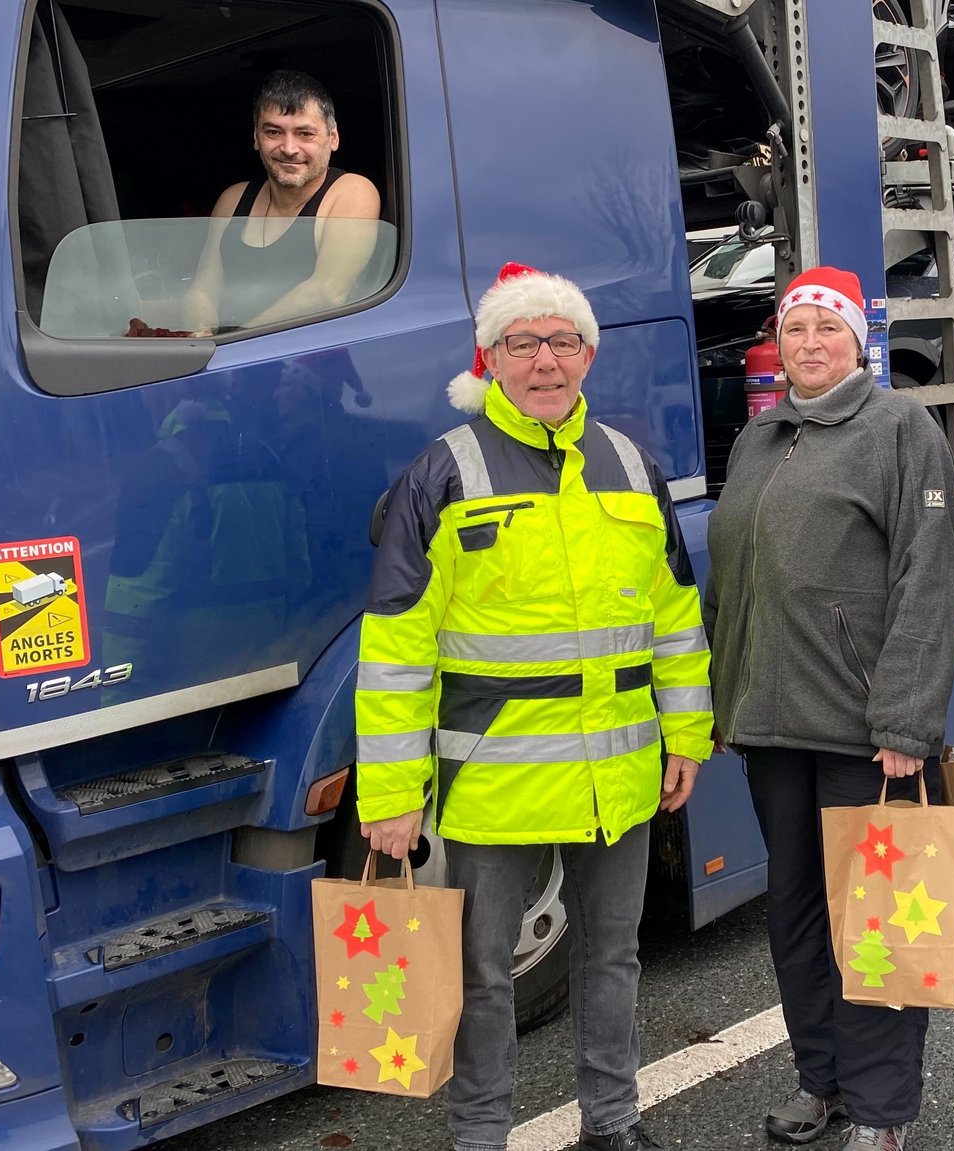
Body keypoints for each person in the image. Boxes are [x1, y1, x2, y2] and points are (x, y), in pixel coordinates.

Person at [355, 263, 714, 1151]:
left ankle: (613, 1123)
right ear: (491, 359)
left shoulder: (633, 466)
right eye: (523, 342)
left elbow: (675, 616)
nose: (544, 359)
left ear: (588, 355)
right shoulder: (444, 471)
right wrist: (392, 794)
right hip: (495, 778)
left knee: (613, 956)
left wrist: (687, 734)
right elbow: (398, 645)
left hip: (618, 776)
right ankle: (481, 1135)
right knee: (483, 975)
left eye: (561, 340)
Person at [705, 267, 954, 1151]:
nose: (810, 343)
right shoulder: (758, 436)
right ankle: (824, 1082)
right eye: (796, 329)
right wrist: (720, 694)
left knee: (882, 924)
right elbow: (735, 580)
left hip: (865, 732)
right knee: (798, 914)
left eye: (828, 328)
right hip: (773, 728)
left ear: (860, 342)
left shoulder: (900, 430)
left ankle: (884, 1111)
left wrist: (903, 724)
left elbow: (929, 581)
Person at [184, 70, 382, 333]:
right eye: (274, 132)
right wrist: (202, 334)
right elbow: (202, 289)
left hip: (310, 363)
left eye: (305, 134)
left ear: (333, 138)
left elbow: (326, 293)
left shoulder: (352, 191)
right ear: (256, 137)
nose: (289, 148)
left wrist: (234, 342)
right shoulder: (233, 199)